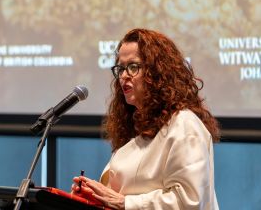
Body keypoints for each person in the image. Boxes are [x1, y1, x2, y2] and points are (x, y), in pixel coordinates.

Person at [72, 28, 220, 210]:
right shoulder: (136, 127)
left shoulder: (184, 124)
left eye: (133, 67)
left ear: (157, 72)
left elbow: (189, 202)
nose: (124, 75)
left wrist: (124, 203)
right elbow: (122, 194)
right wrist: (93, 197)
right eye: (120, 68)